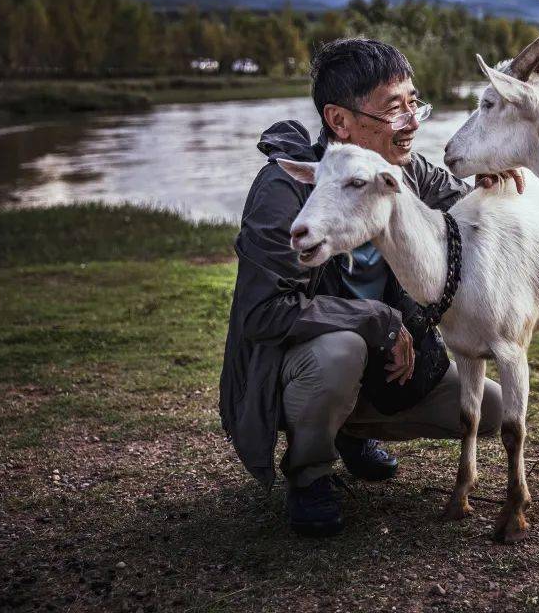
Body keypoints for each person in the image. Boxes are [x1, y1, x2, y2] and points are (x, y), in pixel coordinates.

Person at [219, 38, 517, 537]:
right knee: (341, 350)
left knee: (493, 408)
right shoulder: (285, 190)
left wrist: (494, 175)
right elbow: (263, 313)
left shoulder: (410, 173)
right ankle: (309, 473)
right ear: (339, 122)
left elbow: (468, 216)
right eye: (393, 109)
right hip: (304, 369)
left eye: (413, 103)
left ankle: (349, 434)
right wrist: (379, 321)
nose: (412, 122)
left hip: (388, 367)